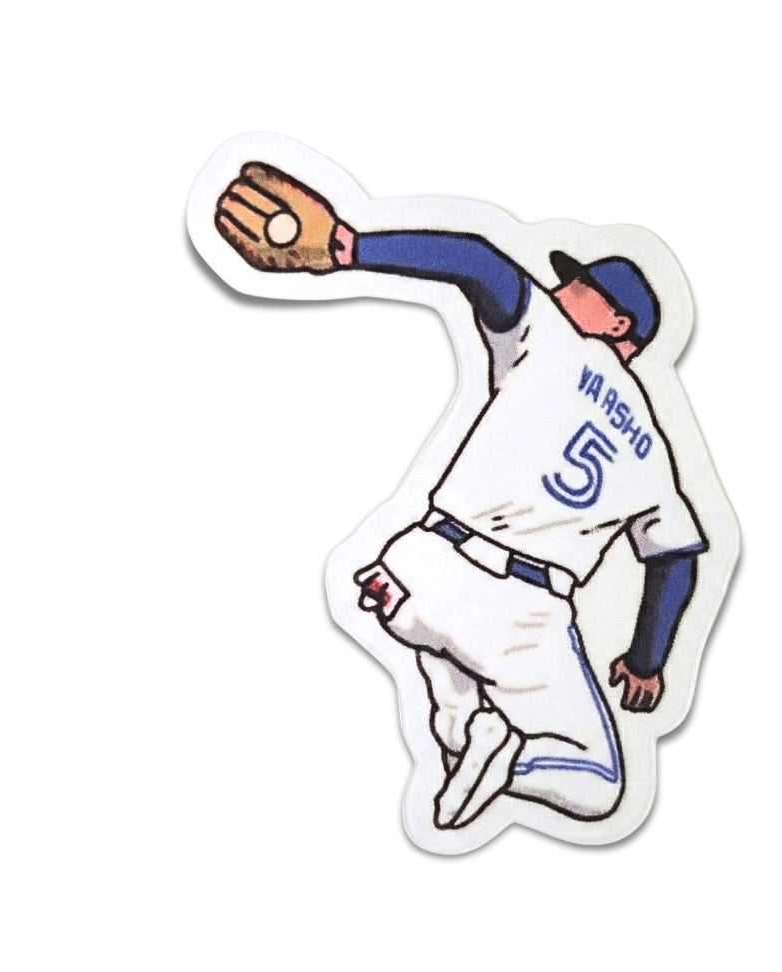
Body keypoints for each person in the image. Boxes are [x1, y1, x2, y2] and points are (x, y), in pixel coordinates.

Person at [215, 162, 707, 830]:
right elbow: (676, 558)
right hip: (518, 612)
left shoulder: (554, 339)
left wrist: (350, 247)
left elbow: (478, 261)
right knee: (596, 781)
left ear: (619, 324)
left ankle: (473, 740)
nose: (562, 288)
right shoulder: (650, 444)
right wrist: (647, 662)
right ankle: (502, 754)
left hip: (414, 571)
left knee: (465, 728)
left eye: (581, 286)